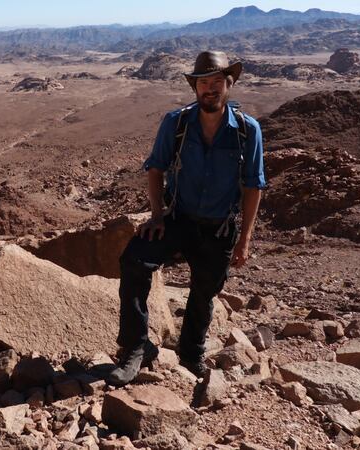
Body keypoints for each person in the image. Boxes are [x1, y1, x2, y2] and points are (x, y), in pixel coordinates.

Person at [108, 51, 266, 386]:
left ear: (229, 84)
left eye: (217, 82)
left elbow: (254, 186)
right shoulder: (177, 123)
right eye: (203, 82)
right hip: (178, 219)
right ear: (195, 87)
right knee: (135, 260)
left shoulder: (247, 131)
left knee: (204, 292)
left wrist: (245, 238)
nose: (210, 88)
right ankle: (136, 348)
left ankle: (191, 354)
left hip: (220, 228)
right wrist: (156, 215)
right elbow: (155, 168)